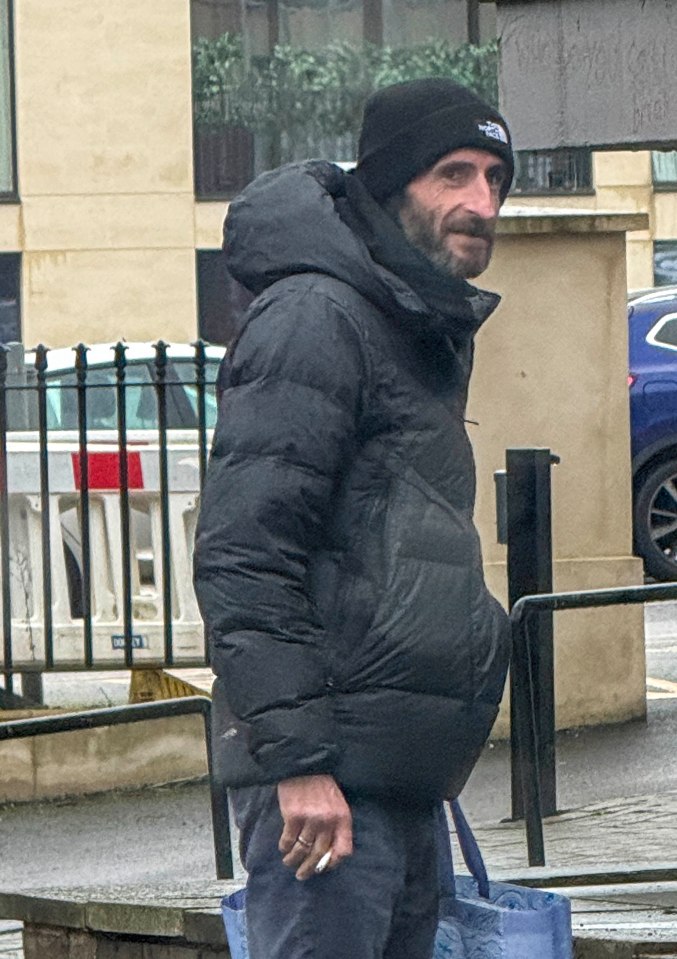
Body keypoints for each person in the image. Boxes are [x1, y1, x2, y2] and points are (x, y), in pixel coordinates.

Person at [193, 77, 513, 959]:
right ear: (386, 185)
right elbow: (243, 552)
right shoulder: (318, 316)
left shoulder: (409, 319)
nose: (478, 202)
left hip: (394, 774)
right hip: (326, 788)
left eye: (494, 178)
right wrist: (297, 761)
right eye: (453, 173)